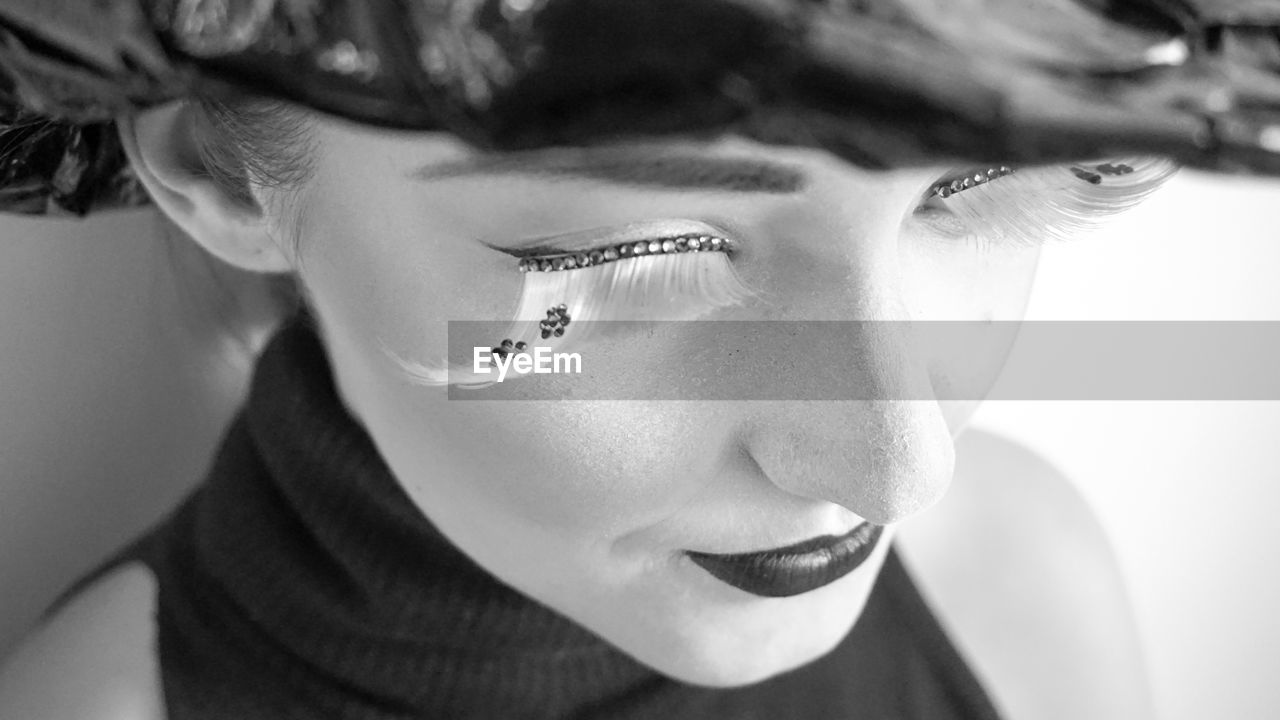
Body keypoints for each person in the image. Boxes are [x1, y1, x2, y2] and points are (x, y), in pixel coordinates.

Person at [0, 1, 1275, 719]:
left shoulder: (1016, 573)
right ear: (219, 166)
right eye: (644, 248)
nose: (897, 468)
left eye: (970, 195)